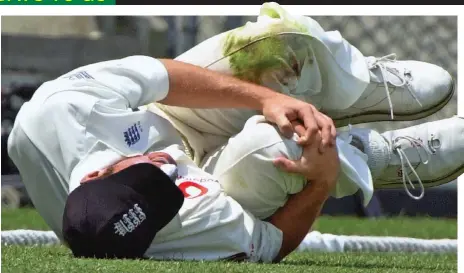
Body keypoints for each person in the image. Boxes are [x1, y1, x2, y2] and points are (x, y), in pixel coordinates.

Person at [7, 55, 340, 262]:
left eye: (147, 174)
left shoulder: (64, 107)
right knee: (285, 145)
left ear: (97, 174)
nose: (162, 164)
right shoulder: (160, 234)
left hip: (169, 112)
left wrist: (268, 99)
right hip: (217, 183)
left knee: (277, 48)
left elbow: (159, 75)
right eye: (164, 188)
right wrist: (322, 183)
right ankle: (379, 154)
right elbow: (270, 245)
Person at [149, 2, 459, 208]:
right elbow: (262, 244)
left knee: (271, 43)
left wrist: (268, 97)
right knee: (276, 148)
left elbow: (152, 76)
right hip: (187, 197)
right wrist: (322, 180)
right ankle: (365, 156)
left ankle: (346, 85)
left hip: (162, 112)